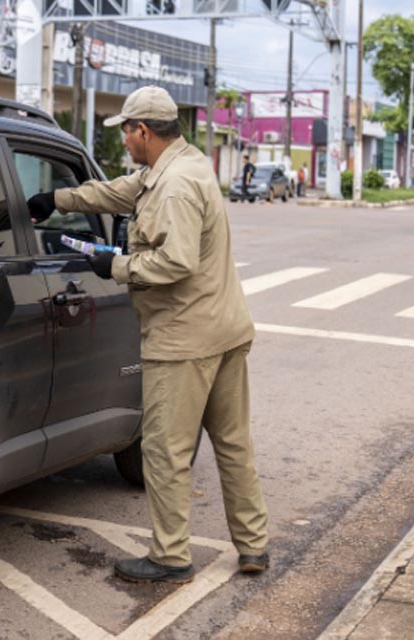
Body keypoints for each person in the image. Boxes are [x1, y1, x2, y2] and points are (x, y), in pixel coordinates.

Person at [26, 86, 270, 585]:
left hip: (184, 338)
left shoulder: (175, 187)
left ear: (143, 131)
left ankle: (171, 556)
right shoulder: (186, 165)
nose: (125, 145)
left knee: (164, 451)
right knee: (233, 444)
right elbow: (120, 190)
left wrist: (112, 264)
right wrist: (55, 198)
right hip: (223, 327)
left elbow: (175, 262)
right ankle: (253, 547)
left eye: (127, 134)